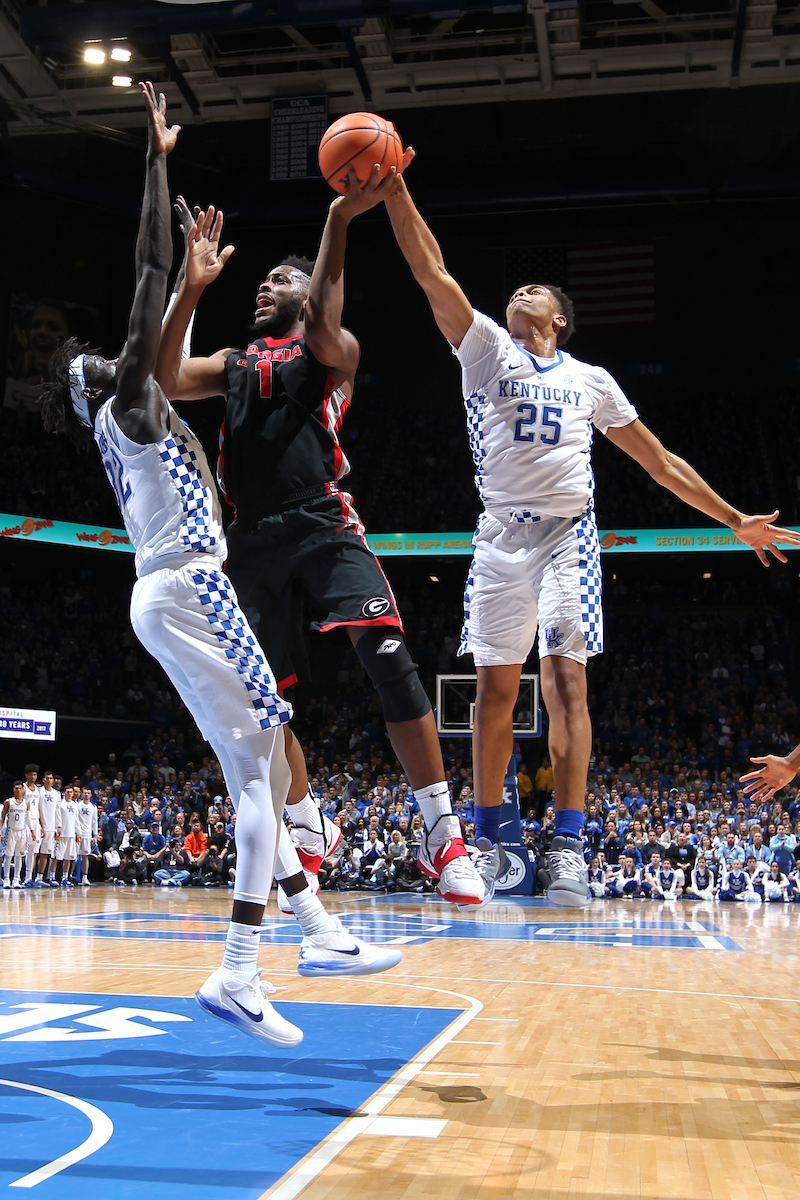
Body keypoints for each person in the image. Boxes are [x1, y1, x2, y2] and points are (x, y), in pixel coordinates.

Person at [40, 84, 400, 1050]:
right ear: (99, 389)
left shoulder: (136, 421)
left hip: (165, 594)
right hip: (193, 583)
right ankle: (258, 957)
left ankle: (302, 936)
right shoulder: (133, 410)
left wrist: (195, 286)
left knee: (250, 770)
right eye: (98, 363)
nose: (107, 362)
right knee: (268, 761)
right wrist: (157, 159)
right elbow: (147, 270)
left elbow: (165, 319)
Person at [381, 161, 800, 908]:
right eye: (515, 289)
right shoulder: (484, 348)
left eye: (533, 292)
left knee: (566, 679)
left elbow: (660, 461)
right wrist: (395, 189)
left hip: (568, 535)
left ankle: (568, 844)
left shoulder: (592, 379)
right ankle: (499, 839)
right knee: (491, 693)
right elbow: (429, 268)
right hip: (499, 537)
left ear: (559, 318)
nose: (518, 294)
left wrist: (734, 518)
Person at [155, 165, 505, 912]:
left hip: (321, 520)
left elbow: (321, 322)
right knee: (263, 702)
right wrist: (190, 286)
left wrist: (341, 220)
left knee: (388, 658)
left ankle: (441, 833)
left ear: (308, 292)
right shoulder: (236, 363)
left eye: (278, 279)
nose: (261, 286)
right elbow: (164, 377)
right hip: (248, 540)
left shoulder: (330, 350)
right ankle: (309, 826)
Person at [1, 783, 29, 889]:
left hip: (22, 831)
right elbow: (2, 817)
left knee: (19, 856)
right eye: (16, 788)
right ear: (13, 789)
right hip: (11, 830)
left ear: (23, 790)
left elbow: (28, 818)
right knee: (8, 855)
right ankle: (7, 879)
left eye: (20, 788)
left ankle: (16, 879)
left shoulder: (26, 803)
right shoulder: (8, 802)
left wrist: (32, 831)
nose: (18, 790)